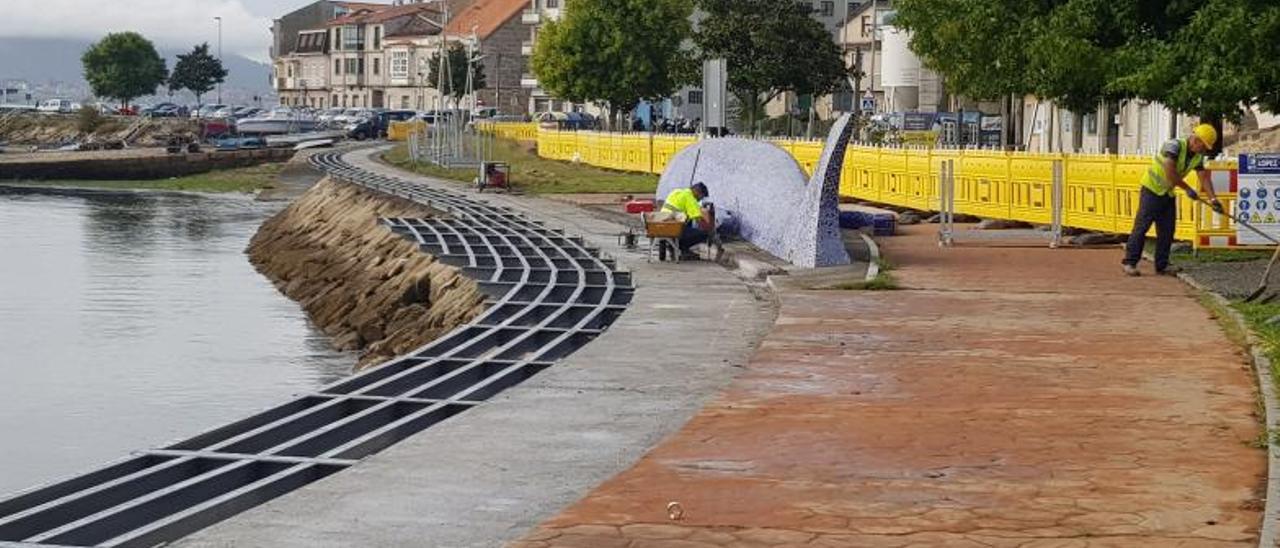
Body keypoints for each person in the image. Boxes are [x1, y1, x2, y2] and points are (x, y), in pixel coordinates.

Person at [1122, 123, 1225, 276]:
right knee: (1142, 227)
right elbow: (1170, 173)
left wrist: (1213, 200)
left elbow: (1204, 178)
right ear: (1196, 140)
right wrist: (1188, 189)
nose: (1204, 150)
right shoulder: (1173, 146)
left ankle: (1162, 265)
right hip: (1151, 190)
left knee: (1167, 231)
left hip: (1167, 194)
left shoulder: (1197, 157)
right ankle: (1130, 263)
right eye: (1203, 146)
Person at [661, 182, 714, 258]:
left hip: (661, 226)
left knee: (687, 219)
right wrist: (710, 231)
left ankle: (673, 247)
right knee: (704, 234)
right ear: (698, 192)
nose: (700, 200)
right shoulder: (690, 198)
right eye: (701, 197)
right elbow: (698, 220)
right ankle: (684, 249)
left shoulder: (676, 192)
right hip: (674, 229)